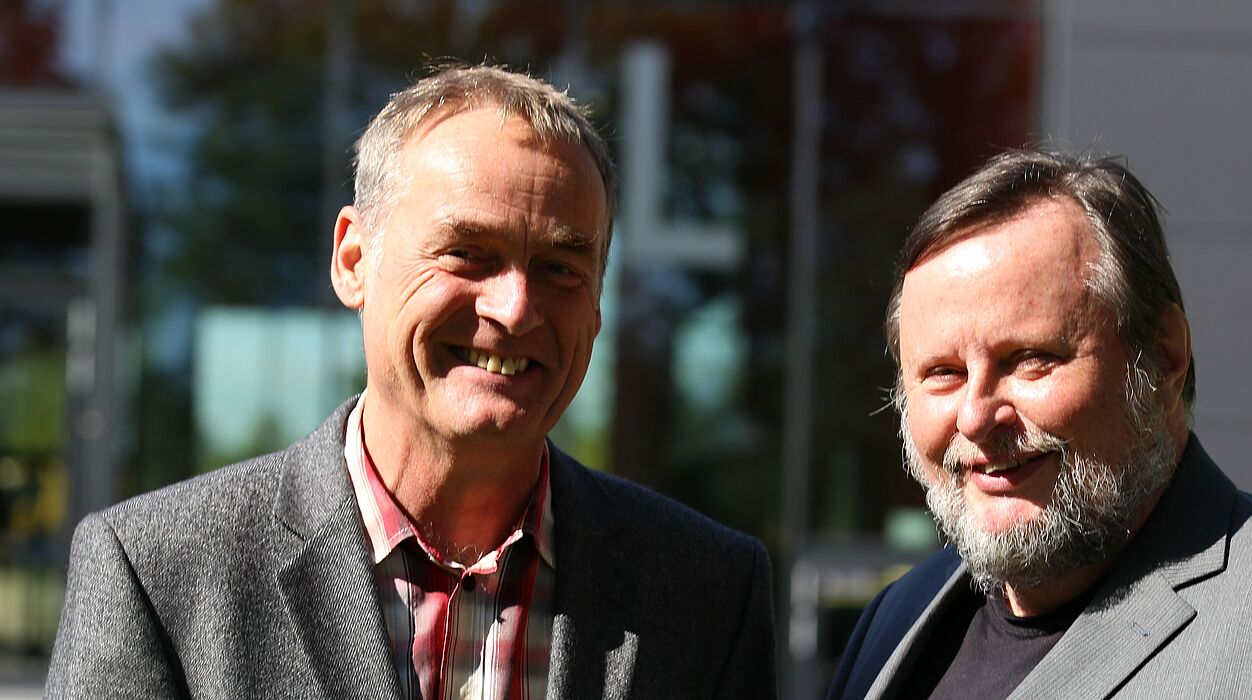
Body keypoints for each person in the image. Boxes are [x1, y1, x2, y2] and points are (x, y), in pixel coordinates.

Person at [46, 65, 775, 699]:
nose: (515, 307)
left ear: (597, 304)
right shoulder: (159, 574)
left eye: (560, 267)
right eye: (467, 253)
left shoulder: (706, 591)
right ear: (354, 260)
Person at [828, 149, 1252, 699]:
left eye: (1030, 359)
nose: (975, 416)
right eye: (941, 373)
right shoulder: (896, 618)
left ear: (1164, 354)